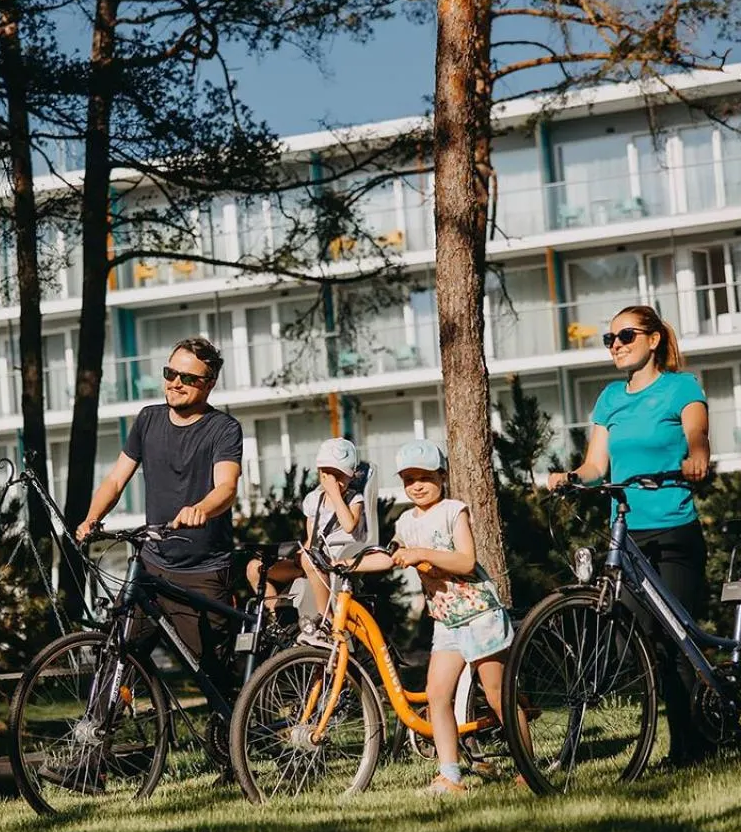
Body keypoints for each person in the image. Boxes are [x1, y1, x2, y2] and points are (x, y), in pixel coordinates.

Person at [546, 304, 713, 768]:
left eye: (626, 336)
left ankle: (692, 745)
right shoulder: (609, 399)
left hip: (675, 526)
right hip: (629, 535)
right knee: (637, 639)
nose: (616, 345)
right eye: (610, 339)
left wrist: (697, 455)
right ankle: (685, 736)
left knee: (678, 640)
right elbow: (597, 465)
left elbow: (696, 433)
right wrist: (572, 478)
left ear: (654, 339)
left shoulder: (682, 387)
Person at [77, 336, 244, 694]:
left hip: (202, 572)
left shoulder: (224, 429)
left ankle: (241, 738)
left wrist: (201, 508)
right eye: (170, 373)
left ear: (209, 384)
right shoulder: (148, 420)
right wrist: (91, 518)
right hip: (151, 566)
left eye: (188, 378)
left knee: (214, 679)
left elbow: (227, 487)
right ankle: (101, 742)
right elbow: (116, 478)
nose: (176, 383)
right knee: (118, 658)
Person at [358, 439, 513, 796]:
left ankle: (526, 764)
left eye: (425, 476)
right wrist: (348, 566)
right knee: (437, 695)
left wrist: (423, 553)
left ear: (442, 476)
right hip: (446, 622)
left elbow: (466, 562)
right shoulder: (405, 522)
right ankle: (450, 775)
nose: (417, 485)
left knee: (496, 693)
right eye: (409, 478)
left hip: (479, 614)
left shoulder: (453, 510)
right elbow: (391, 557)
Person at [244, 437, 366, 638]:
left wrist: (335, 494)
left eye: (340, 475)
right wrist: (297, 555)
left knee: (310, 560)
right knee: (255, 568)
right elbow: (311, 537)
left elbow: (349, 524)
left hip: (336, 560)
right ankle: (280, 620)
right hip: (313, 558)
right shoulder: (313, 500)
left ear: (351, 475)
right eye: (328, 474)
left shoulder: (354, 499)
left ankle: (325, 618)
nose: (334, 481)